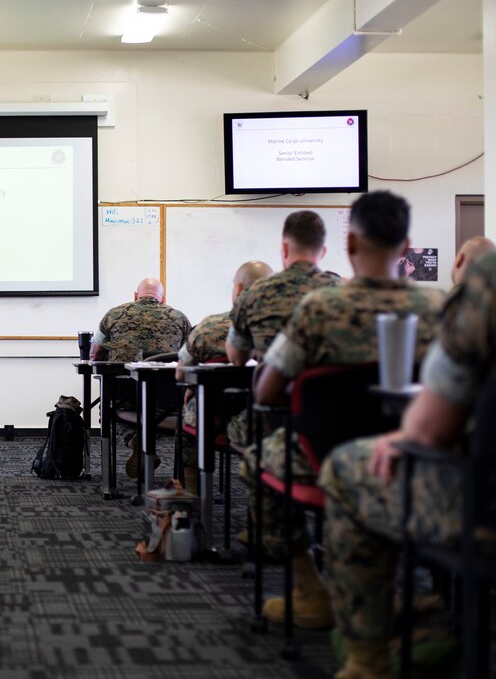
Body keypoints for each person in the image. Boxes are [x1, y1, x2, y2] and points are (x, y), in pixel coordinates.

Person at [249, 191, 444, 631]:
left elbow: (268, 387)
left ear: (350, 246)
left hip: (323, 455)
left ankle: (311, 590)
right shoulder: (438, 308)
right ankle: (428, 596)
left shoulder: (320, 309)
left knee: (255, 462)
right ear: (408, 247)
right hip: (420, 463)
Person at [319, 251, 496, 678]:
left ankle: (368, 658)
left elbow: (432, 429)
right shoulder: (432, 302)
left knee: (346, 467)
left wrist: (407, 433)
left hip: (485, 507)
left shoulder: (486, 283)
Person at [175, 260, 272, 490]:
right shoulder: (287, 326)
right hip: (272, 421)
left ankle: (195, 496)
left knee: (187, 425)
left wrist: (191, 387)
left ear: (238, 289)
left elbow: (181, 373)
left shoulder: (208, 328)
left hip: (214, 419)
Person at [90, 277, 190, 478]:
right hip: (165, 399)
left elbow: (95, 353)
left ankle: (133, 439)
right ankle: (149, 443)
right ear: (162, 299)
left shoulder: (114, 314)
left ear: (136, 296)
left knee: (107, 412)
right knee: (159, 415)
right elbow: (189, 356)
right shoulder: (179, 318)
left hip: (124, 393)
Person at [226, 210, 343, 367]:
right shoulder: (345, 292)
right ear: (323, 252)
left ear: (285, 248)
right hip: (333, 391)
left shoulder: (255, 292)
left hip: (275, 389)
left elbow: (237, 358)